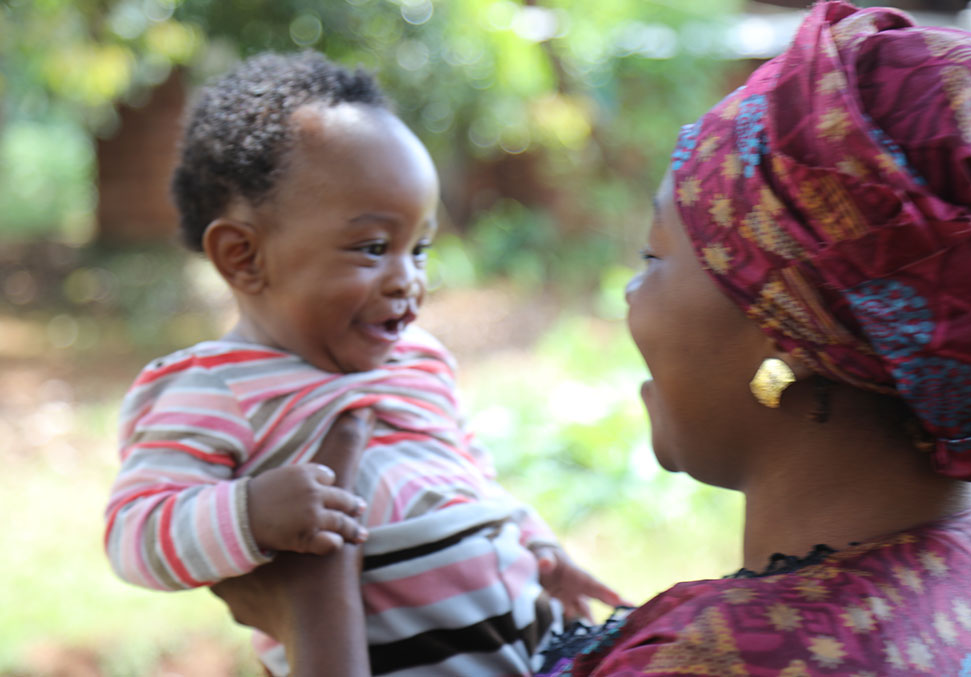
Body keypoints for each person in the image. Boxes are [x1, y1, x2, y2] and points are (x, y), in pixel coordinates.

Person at [213, 3, 971, 675]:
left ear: (790, 329)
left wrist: (313, 606)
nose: (629, 290)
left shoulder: (717, 658)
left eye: (656, 255)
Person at [102, 51, 622, 677]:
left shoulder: (420, 361)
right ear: (243, 257)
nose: (408, 279)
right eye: (373, 248)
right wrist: (250, 513)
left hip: (531, 639)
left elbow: (468, 472)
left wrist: (540, 548)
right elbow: (134, 532)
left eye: (420, 248)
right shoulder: (214, 386)